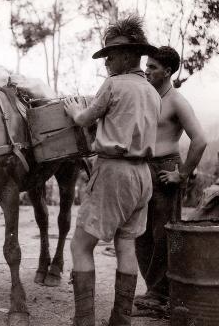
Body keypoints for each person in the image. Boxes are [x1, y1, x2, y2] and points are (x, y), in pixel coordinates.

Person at [63, 16, 161, 326]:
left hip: (114, 172)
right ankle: (120, 321)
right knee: (126, 244)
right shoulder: (152, 91)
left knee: (81, 244)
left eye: (112, 55)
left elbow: (84, 118)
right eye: (106, 56)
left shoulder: (114, 84)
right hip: (143, 175)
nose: (107, 61)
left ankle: (84, 321)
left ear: (131, 55)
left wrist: (73, 110)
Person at [134, 46, 207, 313]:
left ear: (167, 71)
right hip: (142, 168)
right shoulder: (146, 96)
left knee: (163, 235)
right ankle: (153, 293)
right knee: (139, 233)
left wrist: (182, 174)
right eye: (147, 65)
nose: (147, 70)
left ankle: (160, 296)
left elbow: (200, 140)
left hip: (166, 170)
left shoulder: (176, 101)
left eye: (153, 67)